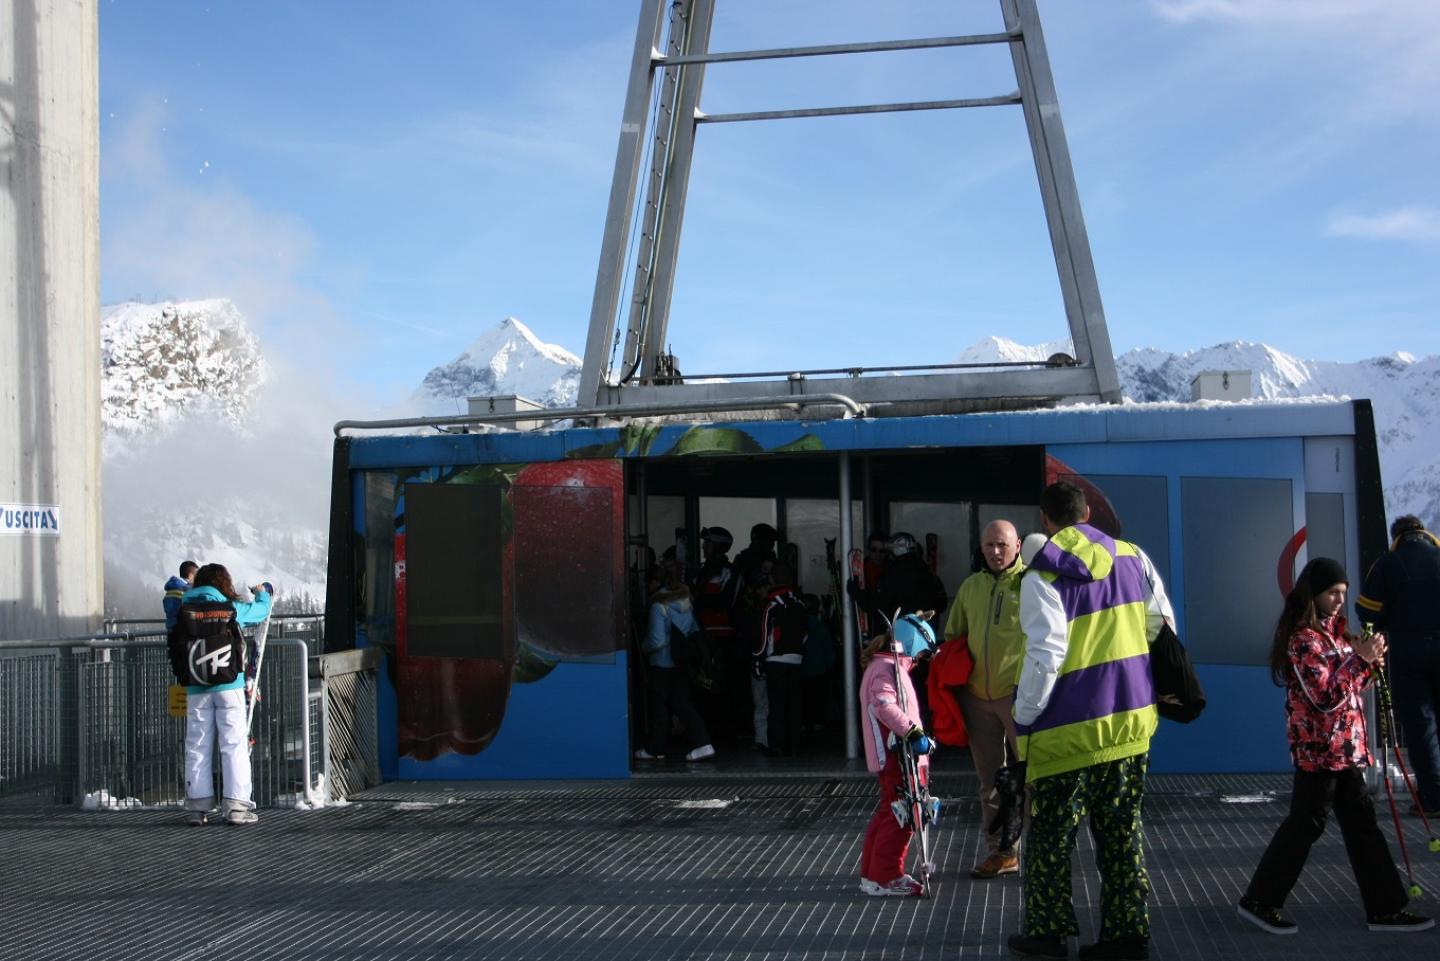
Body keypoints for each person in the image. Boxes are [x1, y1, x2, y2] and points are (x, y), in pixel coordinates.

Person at [1008, 482, 1173, 961]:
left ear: (1045, 520)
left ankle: (1048, 934)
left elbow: (1045, 655)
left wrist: (1024, 715)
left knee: (1051, 839)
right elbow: (1161, 624)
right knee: (1122, 833)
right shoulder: (1133, 557)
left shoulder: (1043, 576)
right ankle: (1126, 937)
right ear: (1088, 512)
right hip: (1129, 725)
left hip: (1065, 732)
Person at [1238, 557, 1433, 935]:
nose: (1339, 600)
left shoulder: (1336, 637)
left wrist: (1369, 663)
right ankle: (1261, 899)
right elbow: (1324, 697)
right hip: (1320, 752)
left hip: (1344, 751)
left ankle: (1386, 908)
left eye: (1343, 593)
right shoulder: (1303, 640)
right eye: (1332, 593)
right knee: (1307, 825)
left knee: (1360, 826)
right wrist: (1361, 662)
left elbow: (1348, 690)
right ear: (1315, 594)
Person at [942, 519, 1027, 879]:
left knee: (1035, 777)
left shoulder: (1033, 585)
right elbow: (954, 635)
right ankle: (1002, 853)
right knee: (989, 781)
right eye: (989, 545)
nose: (995, 552)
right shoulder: (971, 587)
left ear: (1018, 546)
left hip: (1022, 699)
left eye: (1002, 545)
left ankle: (1041, 848)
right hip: (978, 698)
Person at [1356, 514, 1440, 817]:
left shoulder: (1388, 563)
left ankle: (1431, 799)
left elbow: (1366, 609)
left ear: (1397, 536)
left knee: (1421, 727)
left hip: (1407, 649)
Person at [178, 563, 272, 826]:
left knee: (197, 744)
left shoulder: (186, 606)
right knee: (233, 744)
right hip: (229, 684)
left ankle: (197, 806)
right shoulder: (229, 609)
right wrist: (262, 593)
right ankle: (236, 806)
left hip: (196, 685)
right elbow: (261, 611)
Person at [858, 612, 938, 897]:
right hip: (897, 755)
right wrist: (914, 735)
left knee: (889, 811)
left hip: (893, 752)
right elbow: (884, 704)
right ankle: (887, 875)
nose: (919, 662)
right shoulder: (886, 668)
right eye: (920, 655)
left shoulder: (885, 665)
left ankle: (872, 874)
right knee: (902, 814)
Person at [635, 556, 716, 762]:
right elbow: (694, 629)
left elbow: (657, 640)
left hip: (662, 663)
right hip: (681, 661)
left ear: (655, 582)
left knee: (659, 707)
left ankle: (655, 748)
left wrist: (643, 648)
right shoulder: (686, 601)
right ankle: (703, 743)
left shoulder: (658, 605)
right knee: (683, 704)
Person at [755, 563, 808, 757]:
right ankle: (795, 745)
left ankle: (778, 745)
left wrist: (758, 659)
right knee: (794, 705)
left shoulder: (770, 605)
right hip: (796, 660)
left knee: (776, 705)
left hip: (775, 660)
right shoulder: (800, 604)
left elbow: (764, 635)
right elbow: (805, 634)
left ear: (773, 580)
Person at [163, 559, 199, 630]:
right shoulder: (186, 589)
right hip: (183, 628)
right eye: (196, 575)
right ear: (191, 575)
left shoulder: (172, 587)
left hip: (171, 626)